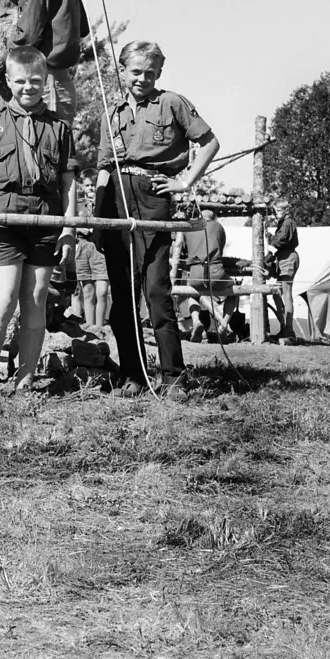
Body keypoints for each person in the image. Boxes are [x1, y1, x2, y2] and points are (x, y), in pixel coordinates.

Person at [95, 41, 220, 399]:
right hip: (115, 200)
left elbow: (210, 142)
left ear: (159, 73)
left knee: (155, 290)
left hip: (154, 196)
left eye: (150, 73)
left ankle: (173, 378)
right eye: (136, 71)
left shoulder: (172, 103)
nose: (142, 79)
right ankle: (132, 376)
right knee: (122, 297)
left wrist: (185, 183)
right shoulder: (111, 111)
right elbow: (104, 169)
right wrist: (96, 218)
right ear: (122, 71)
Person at [0, 46, 77, 400]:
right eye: (20, 81)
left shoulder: (59, 128)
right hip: (4, 221)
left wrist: (69, 228)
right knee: (3, 299)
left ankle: (25, 380)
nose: (28, 87)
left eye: (35, 81)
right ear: (8, 81)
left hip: (46, 221)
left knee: (35, 299)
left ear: (45, 81)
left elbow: (68, 182)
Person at [175, 208, 237, 342]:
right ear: (214, 215)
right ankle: (225, 323)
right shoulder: (219, 227)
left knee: (192, 293)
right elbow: (221, 246)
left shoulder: (190, 227)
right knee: (234, 291)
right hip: (216, 272)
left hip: (196, 273)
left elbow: (184, 249)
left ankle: (196, 321)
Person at [75, 169, 110, 328]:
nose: (90, 188)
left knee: (102, 291)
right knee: (87, 291)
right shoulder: (77, 204)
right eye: (87, 185)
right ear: (82, 185)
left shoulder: (104, 203)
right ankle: (90, 327)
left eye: (92, 185)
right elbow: (68, 222)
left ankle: (100, 326)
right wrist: (77, 229)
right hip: (82, 246)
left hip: (100, 247)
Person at [267, 200, 300, 344]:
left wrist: (269, 238)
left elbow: (279, 241)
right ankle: (284, 327)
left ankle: (289, 330)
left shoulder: (287, 223)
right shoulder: (284, 223)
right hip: (283, 258)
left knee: (286, 294)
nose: (276, 214)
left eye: (278, 211)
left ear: (286, 210)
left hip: (288, 258)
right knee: (278, 294)